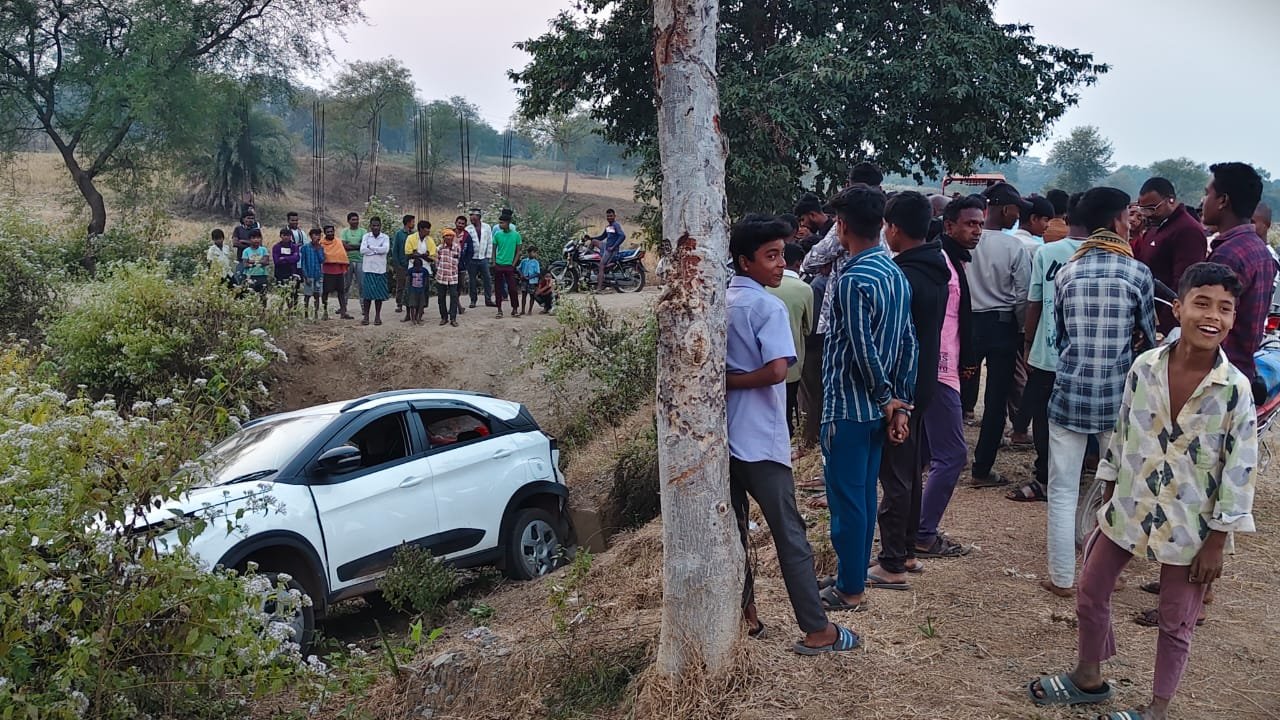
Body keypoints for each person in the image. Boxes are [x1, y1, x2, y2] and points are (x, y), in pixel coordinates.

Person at [1026, 261, 1256, 720]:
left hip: (1192, 525)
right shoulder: (1145, 367)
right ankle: (1088, 677)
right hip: (1129, 504)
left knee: (1175, 620)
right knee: (1091, 588)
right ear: (1178, 308)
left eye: (1225, 308)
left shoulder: (1234, 390)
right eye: (1202, 303)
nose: (1212, 316)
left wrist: (1217, 540)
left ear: (1233, 319)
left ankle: (1158, 709)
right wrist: (1108, 488)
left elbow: (1239, 468)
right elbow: (1122, 430)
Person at [726, 213, 859, 655]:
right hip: (760, 440)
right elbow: (777, 371)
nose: (781, 264)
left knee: (734, 531)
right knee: (791, 535)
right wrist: (727, 381)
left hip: (722, 441)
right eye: (770, 256)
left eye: (782, 254)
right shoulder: (767, 307)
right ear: (745, 261)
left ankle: (747, 615)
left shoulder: (720, 301)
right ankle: (817, 629)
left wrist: (721, 382)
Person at [1044, 187, 1157, 597]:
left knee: (1062, 490)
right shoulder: (1137, 274)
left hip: (1069, 392)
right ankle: (1107, 576)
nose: (1131, 223)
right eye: (1128, 216)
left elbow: (1060, 335)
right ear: (1115, 222)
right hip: (1117, 397)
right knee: (1117, 489)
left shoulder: (1066, 272)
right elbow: (1149, 338)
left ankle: (1061, 578)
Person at [818, 184, 916, 613]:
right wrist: (899, 402)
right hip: (880, 410)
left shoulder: (852, 279)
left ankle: (849, 588)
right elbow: (909, 342)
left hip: (849, 407)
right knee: (862, 498)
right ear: (881, 224)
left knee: (847, 502)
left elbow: (862, 350)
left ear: (841, 225)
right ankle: (852, 574)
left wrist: (885, 398)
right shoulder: (895, 273)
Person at [872, 191, 948, 588]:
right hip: (925, 379)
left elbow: (896, 340)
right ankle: (908, 550)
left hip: (903, 385)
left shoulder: (902, 276)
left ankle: (892, 562)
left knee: (896, 475)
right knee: (911, 470)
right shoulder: (937, 268)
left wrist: (890, 395)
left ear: (895, 228)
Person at [915, 195, 984, 559]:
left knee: (926, 454)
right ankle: (923, 534)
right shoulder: (940, 261)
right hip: (938, 369)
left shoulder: (954, 260)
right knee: (953, 455)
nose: (977, 231)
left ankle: (910, 526)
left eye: (980, 224)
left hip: (945, 366)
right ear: (949, 225)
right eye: (970, 224)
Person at [1007, 194, 1087, 503]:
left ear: (1065, 219)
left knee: (1043, 416)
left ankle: (1044, 476)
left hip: (1048, 351)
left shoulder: (1047, 252)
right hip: (1085, 356)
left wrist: (1028, 343)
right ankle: (1076, 474)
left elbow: (1035, 302)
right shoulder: (1108, 257)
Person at [967, 182, 1032, 487]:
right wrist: (1021, 329)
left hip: (967, 323)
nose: (1017, 218)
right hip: (1002, 325)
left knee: (956, 391)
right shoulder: (1013, 246)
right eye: (1016, 212)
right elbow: (1023, 295)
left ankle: (943, 456)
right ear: (1006, 209)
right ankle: (982, 469)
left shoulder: (965, 239)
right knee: (995, 401)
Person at [1204, 162, 1277, 382]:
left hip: (1217, 374)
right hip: (1242, 369)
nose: (1203, 201)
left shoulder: (1228, 255)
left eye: (1207, 194)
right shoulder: (1259, 249)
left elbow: (1209, 325)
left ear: (1223, 201)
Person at [1134, 177, 1207, 333]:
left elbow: (1184, 284)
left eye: (1152, 208)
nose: (1147, 214)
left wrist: (1163, 329)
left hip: (1166, 322)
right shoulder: (1155, 227)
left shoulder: (1188, 230)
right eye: (1143, 209)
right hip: (1147, 315)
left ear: (1171, 200)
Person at [766, 242, 813, 438]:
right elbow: (808, 328)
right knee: (788, 407)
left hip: (764, 363)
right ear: (798, 263)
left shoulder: (765, 286)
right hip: (792, 363)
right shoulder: (804, 289)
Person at [358, 216, 391, 326]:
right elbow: (362, 250)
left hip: (380, 270)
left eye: (377, 225)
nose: (375, 227)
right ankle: (366, 317)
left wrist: (371, 248)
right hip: (368, 269)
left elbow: (385, 250)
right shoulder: (366, 236)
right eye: (373, 225)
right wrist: (377, 250)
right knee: (367, 295)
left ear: (380, 226)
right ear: (370, 226)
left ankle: (377, 316)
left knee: (378, 296)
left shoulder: (385, 237)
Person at [492, 209, 522, 318]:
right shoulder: (497, 234)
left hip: (509, 265)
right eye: (499, 222)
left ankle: (515, 309)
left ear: (508, 223)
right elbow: (494, 249)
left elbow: (518, 251)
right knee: (498, 288)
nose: (500, 225)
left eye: (502, 223)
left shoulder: (516, 235)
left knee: (513, 288)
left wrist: (513, 264)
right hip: (499, 264)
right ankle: (499, 310)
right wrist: (494, 262)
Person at [587, 209, 626, 292]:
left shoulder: (616, 225)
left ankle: (599, 288)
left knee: (601, 266)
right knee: (594, 241)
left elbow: (622, 236)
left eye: (611, 216)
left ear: (614, 216)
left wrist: (614, 247)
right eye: (608, 216)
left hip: (611, 250)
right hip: (606, 246)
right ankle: (590, 259)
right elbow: (602, 237)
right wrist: (590, 238)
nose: (609, 218)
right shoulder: (608, 227)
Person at [318, 224, 352, 320]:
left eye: (332, 231)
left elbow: (342, 255)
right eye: (328, 232)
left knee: (341, 292)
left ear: (334, 231)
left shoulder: (338, 242)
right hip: (327, 271)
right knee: (325, 292)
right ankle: (325, 313)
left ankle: (343, 312)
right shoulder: (321, 243)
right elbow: (322, 257)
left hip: (338, 271)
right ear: (325, 233)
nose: (330, 233)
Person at [467, 208, 496, 308]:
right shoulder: (468, 229)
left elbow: (490, 242)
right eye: (470, 216)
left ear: (479, 217)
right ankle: (473, 300)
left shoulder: (487, 227)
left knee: (487, 279)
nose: (471, 218)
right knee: (472, 280)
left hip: (483, 258)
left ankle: (488, 299)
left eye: (473, 216)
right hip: (472, 258)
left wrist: (488, 257)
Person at [435, 227, 463, 327]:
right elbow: (437, 262)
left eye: (451, 235)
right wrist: (439, 270)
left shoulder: (457, 248)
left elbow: (458, 259)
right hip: (441, 277)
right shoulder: (439, 248)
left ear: (453, 237)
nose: (449, 237)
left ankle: (453, 318)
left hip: (453, 277)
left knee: (454, 297)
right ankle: (444, 317)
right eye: (447, 236)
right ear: (443, 238)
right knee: (441, 298)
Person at [271, 227, 302, 309]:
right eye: (284, 235)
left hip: (292, 273)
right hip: (280, 273)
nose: (286, 237)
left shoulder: (294, 247)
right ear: (280, 236)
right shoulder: (276, 247)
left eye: (288, 235)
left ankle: (292, 311)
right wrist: (289, 259)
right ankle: (280, 311)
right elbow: (276, 261)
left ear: (290, 236)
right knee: (281, 294)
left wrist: (284, 258)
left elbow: (296, 258)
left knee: (293, 294)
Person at [340, 212, 366, 302]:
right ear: (348, 221)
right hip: (348, 261)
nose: (356, 221)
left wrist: (350, 245)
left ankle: (363, 305)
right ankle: (344, 305)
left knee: (362, 284)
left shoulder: (363, 231)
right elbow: (344, 246)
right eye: (353, 220)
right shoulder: (345, 232)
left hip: (360, 260)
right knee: (346, 284)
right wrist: (358, 246)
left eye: (357, 219)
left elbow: (364, 245)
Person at [300, 228, 325, 319]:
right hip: (309, 274)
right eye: (315, 235)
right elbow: (303, 262)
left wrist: (318, 250)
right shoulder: (305, 248)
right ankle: (306, 315)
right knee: (307, 295)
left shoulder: (321, 248)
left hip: (317, 274)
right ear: (311, 236)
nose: (317, 237)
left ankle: (316, 314)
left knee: (317, 295)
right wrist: (305, 276)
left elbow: (322, 260)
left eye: (319, 235)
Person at [391, 214, 414, 314]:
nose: (414, 224)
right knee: (400, 285)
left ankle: (411, 303)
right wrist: (397, 264)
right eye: (412, 222)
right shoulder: (399, 234)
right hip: (401, 263)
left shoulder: (413, 234)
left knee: (411, 284)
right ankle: (399, 304)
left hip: (411, 263)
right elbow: (395, 250)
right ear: (408, 223)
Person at [241, 228, 270, 303]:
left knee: (263, 296)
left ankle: (262, 310)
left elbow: (266, 262)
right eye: (253, 238)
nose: (256, 240)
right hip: (250, 276)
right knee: (249, 297)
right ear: (249, 239)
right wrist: (259, 262)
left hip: (262, 275)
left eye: (258, 237)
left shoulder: (263, 250)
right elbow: (245, 264)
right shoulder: (246, 251)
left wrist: (252, 262)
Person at [454, 215, 473, 312]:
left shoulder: (467, 236)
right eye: (459, 223)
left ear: (465, 225)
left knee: (460, 286)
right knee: (452, 286)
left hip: (461, 265)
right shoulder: (450, 233)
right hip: (450, 264)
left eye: (462, 223)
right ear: (455, 223)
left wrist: (466, 263)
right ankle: (456, 306)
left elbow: (470, 251)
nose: (460, 225)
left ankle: (456, 305)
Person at [404, 255, 430, 325]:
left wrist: (408, 289)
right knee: (415, 305)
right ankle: (416, 319)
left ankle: (416, 319)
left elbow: (408, 281)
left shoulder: (412, 270)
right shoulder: (424, 270)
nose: (418, 268)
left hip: (416, 290)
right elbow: (408, 280)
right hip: (415, 290)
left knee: (418, 305)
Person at [517, 247, 542, 317]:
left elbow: (537, 273)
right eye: (534, 252)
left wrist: (529, 277)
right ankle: (523, 310)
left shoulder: (536, 262)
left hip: (532, 281)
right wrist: (522, 275)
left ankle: (530, 310)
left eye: (536, 253)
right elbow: (518, 268)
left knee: (532, 296)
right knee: (524, 295)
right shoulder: (524, 261)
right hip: (524, 280)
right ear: (529, 253)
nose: (535, 254)